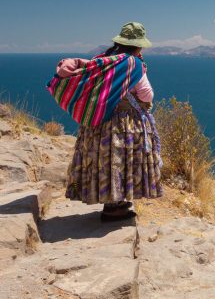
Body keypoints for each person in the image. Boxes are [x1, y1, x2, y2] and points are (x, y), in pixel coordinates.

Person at [47, 22, 162, 221]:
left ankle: (108, 200)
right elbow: (146, 94)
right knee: (120, 160)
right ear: (138, 45)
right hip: (122, 124)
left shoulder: (102, 61)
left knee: (102, 160)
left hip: (97, 122)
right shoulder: (132, 64)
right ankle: (115, 206)